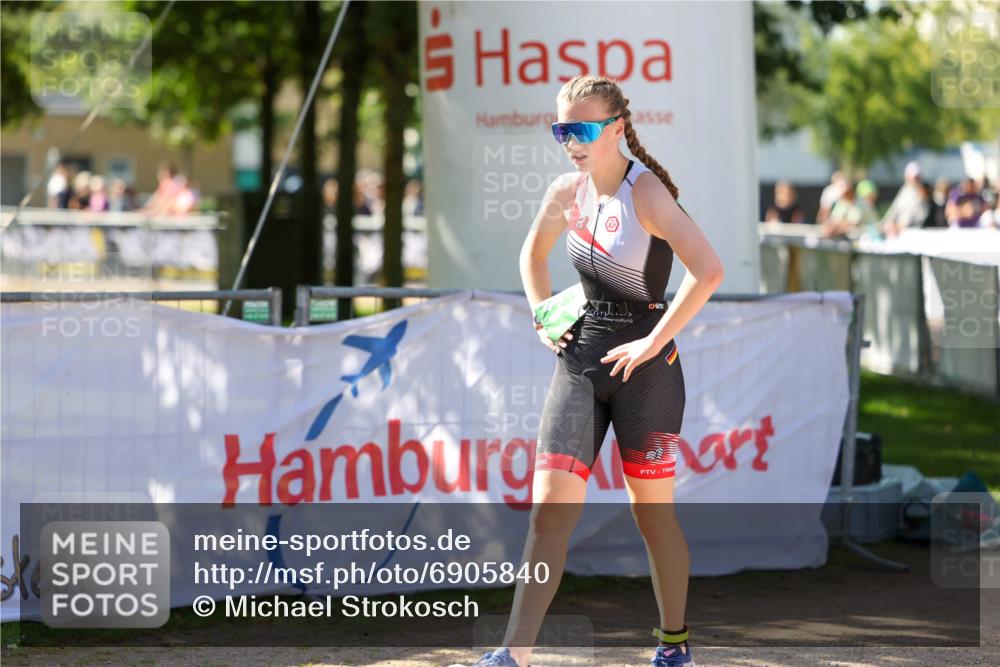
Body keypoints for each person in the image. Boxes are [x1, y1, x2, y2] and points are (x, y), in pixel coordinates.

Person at [455, 75, 724, 667]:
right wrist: (542, 315)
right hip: (578, 364)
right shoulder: (565, 191)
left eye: (581, 129)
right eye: (561, 130)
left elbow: (708, 271)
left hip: (646, 372)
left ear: (617, 129)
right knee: (549, 511)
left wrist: (654, 341)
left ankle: (674, 645)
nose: (569, 141)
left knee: (652, 518)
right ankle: (514, 653)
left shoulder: (647, 193)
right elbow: (531, 255)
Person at [881, 161, 930, 237]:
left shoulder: (922, 191)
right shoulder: (904, 190)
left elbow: (915, 216)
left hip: (914, 231)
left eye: (916, 177)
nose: (913, 180)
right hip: (899, 231)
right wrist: (886, 223)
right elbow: (894, 210)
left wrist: (899, 225)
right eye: (911, 177)